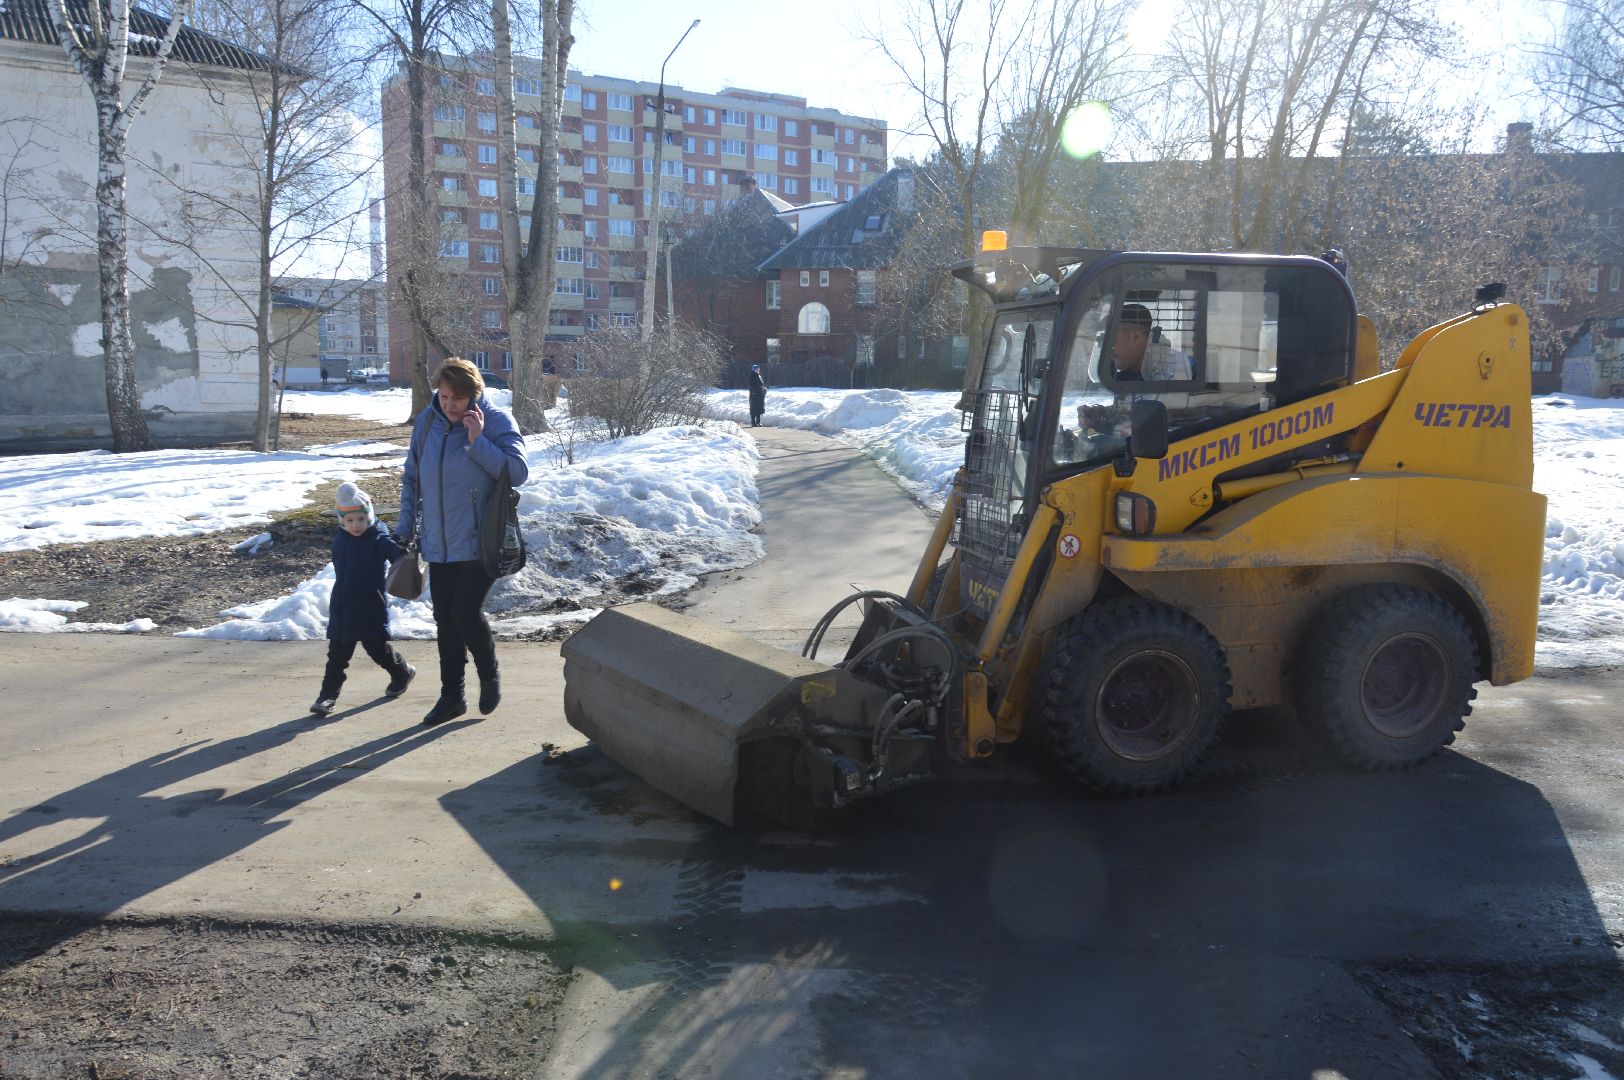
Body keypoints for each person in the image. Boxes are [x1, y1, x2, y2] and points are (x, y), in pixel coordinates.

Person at [398, 357, 529, 726]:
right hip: (438, 541)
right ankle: (451, 696)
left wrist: (477, 441)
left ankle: (489, 675)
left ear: (475, 395)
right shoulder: (427, 423)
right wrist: (405, 528)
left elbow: (517, 473)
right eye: (443, 396)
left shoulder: (497, 421)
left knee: (464, 613)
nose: (450, 405)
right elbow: (412, 479)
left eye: (458, 397)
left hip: (480, 539)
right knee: (445, 619)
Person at [310, 482, 416, 717]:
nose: (355, 525)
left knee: (377, 649)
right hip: (343, 606)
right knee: (337, 656)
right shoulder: (341, 539)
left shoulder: (379, 539)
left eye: (360, 519)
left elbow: (398, 556)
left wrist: (405, 548)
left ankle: (401, 672)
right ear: (341, 521)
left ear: (368, 516)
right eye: (349, 521)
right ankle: (327, 697)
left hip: (370, 605)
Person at [1111, 303, 1193, 382]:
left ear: (1135, 337)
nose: (1109, 348)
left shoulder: (1170, 370)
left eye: (1113, 338)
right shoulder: (1127, 375)